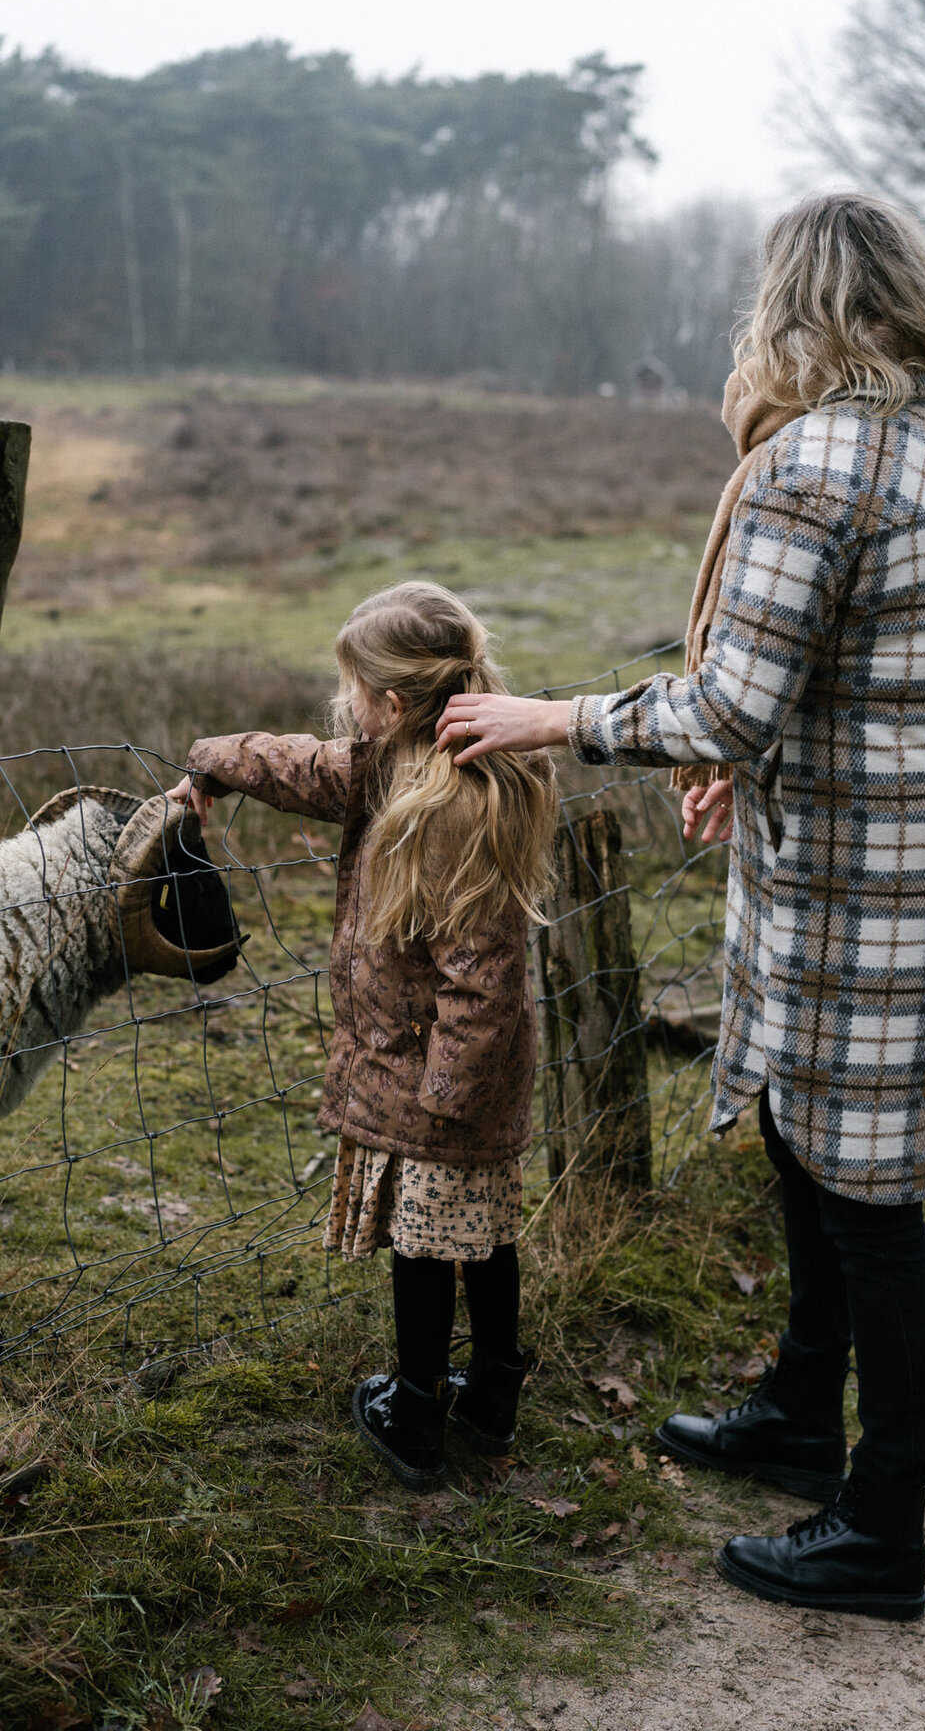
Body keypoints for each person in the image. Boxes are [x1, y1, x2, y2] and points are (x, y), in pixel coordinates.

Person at [435, 194, 925, 1619]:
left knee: (866, 1200)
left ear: (798, 307)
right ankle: (799, 1419)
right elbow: (874, 676)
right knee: (812, 1141)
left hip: (852, 880)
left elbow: (734, 699)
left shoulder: (814, 464)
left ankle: (879, 1528)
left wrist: (557, 716)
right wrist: (739, 766)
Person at [170, 581, 558, 1491]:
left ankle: (417, 1410)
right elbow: (304, 766)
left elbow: (483, 975)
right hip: (439, 1073)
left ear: (388, 703)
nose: (343, 708)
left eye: (352, 690)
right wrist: (214, 760)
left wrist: (446, 1099)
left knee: (427, 1250)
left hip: (436, 1078)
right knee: (487, 1234)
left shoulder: (452, 807)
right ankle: (493, 1389)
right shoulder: (398, 765)